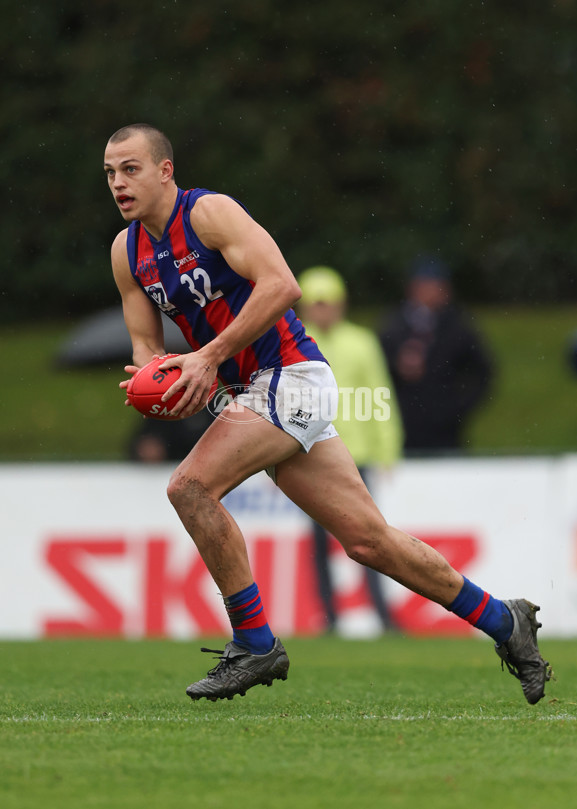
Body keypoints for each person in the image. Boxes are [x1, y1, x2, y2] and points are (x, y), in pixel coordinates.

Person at [104, 123, 551, 705]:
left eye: (131, 168)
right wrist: (155, 380)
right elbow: (145, 347)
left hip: (291, 377)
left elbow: (282, 286)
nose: (118, 182)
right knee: (371, 543)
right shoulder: (126, 251)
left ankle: (255, 642)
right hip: (251, 390)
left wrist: (207, 357)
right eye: (111, 173)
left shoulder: (208, 214)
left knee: (189, 487)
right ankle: (504, 621)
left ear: (165, 170)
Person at [296, 265, 402, 634]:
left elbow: (380, 395)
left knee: (373, 539)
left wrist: (387, 450)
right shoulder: (293, 342)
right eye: (318, 304)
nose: (325, 310)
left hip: (357, 458)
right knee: (320, 545)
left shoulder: (361, 342)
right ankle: (329, 617)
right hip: (309, 455)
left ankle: (383, 616)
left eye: (330, 303)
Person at [379, 256, 494, 455]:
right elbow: (375, 371)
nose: (431, 293)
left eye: (437, 286)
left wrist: (456, 408)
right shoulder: (393, 326)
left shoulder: (459, 327)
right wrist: (397, 368)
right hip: (402, 426)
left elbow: (482, 372)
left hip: (446, 431)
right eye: (426, 286)